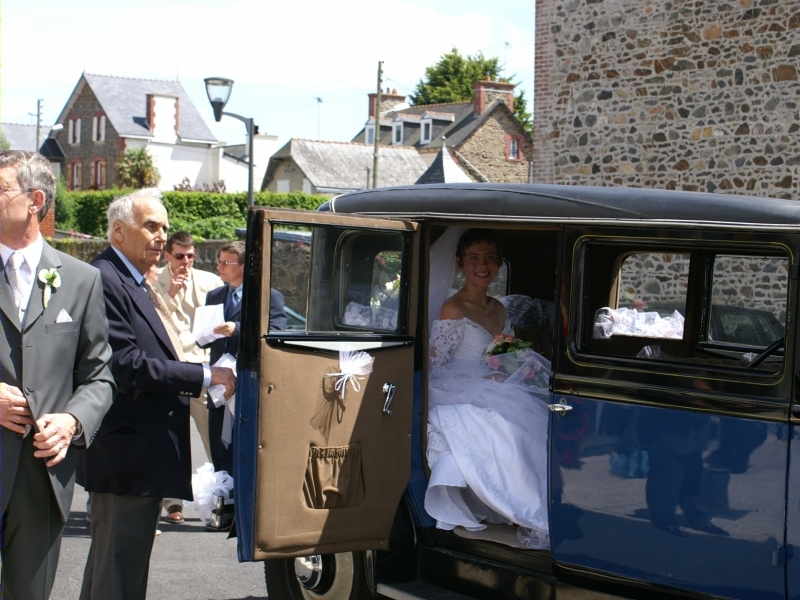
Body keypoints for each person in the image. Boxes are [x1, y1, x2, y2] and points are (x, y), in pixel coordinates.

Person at [79, 189, 236, 600]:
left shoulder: (132, 280)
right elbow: (126, 363)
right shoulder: (106, 279)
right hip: (125, 453)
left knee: (111, 571)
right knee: (118, 572)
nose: (161, 236)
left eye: (164, 227)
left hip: (135, 453)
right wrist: (204, 375)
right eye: (151, 226)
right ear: (118, 231)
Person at [0, 150, 115, 599]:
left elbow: (99, 374)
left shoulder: (82, 280)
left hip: (42, 476)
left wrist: (71, 422)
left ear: (35, 200)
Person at [424, 228, 551, 549]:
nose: (483, 265)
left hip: (495, 387)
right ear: (460, 263)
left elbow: (504, 355)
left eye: (491, 258)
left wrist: (519, 372)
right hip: (456, 391)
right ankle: (528, 512)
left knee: (542, 422)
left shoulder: (498, 308)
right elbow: (437, 366)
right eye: (474, 258)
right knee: (505, 431)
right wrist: (483, 381)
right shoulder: (454, 309)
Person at [154, 231, 222, 524]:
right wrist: (168, 296)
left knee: (214, 440)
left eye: (190, 256)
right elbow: (152, 322)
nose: (186, 262)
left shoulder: (210, 282)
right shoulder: (152, 280)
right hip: (170, 369)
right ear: (167, 256)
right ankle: (172, 502)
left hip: (202, 369)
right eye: (179, 256)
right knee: (170, 440)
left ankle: (222, 498)